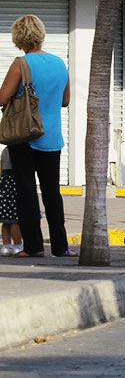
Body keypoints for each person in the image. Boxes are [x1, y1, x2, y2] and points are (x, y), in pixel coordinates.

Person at [0, 15, 73, 258]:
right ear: (40, 34)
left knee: (27, 191)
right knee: (52, 192)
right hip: (52, 138)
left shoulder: (21, 64)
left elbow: (2, 98)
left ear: (18, 38)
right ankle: (61, 247)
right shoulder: (60, 63)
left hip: (25, 137)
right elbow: (65, 101)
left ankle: (33, 247)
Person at [0, 147, 23, 256]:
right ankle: (18, 245)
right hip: (14, 185)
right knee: (15, 220)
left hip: (5, 185)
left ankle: (6, 246)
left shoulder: (5, 151)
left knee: (6, 220)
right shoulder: (16, 150)